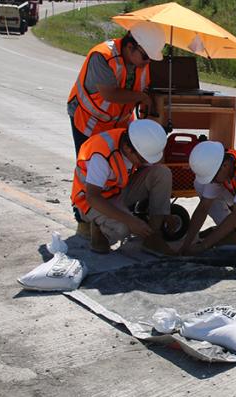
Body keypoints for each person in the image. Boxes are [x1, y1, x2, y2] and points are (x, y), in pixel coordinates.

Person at [67, 22, 166, 238]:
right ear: (131, 47)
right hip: (89, 120)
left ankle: (115, 210)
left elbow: (142, 86)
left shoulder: (141, 62)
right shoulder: (102, 56)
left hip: (119, 122)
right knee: (90, 172)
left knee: (122, 168)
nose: (147, 63)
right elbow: (110, 94)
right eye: (145, 57)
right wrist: (140, 97)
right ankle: (84, 218)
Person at [70, 119, 175, 256]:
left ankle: (153, 236)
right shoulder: (101, 154)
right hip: (91, 201)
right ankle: (101, 231)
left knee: (162, 172)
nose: (146, 162)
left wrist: (164, 212)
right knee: (124, 228)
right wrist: (130, 220)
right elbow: (92, 197)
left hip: (117, 191)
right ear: (128, 149)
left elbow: (152, 171)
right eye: (143, 159)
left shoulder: (136, 142)